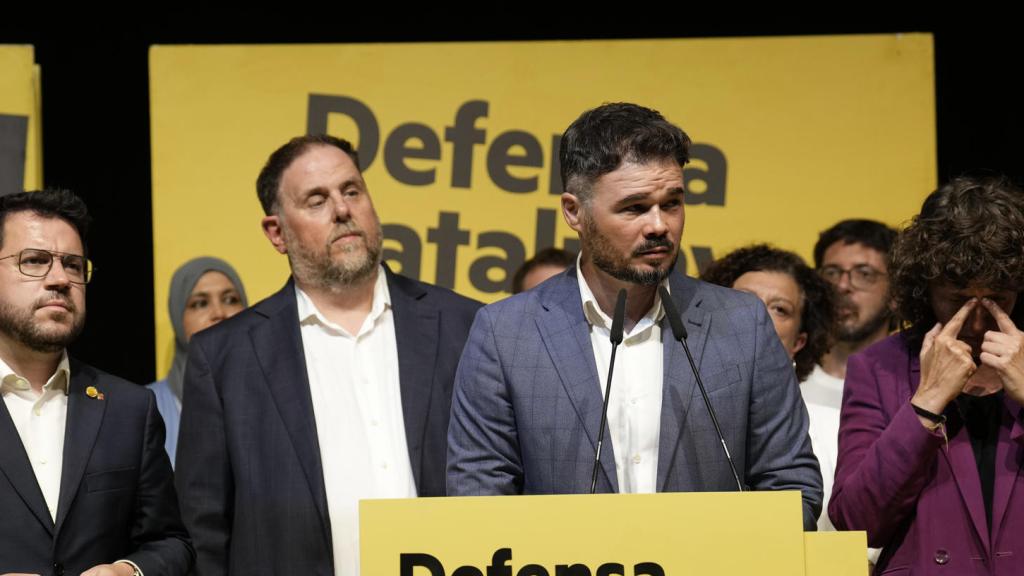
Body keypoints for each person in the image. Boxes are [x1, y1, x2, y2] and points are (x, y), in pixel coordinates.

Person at [447, 103, 822, 530]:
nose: (660, 225)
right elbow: (478, 501)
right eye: (634, 208)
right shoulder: (505, 334)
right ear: (574, 212)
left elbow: (792, 488)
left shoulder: (742, 324)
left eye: (673, 203)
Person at [175, 135, 481, 576]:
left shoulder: (464, 324)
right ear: (276, 232)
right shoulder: (226, 358)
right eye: (316, 200)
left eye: (352, 191)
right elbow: (203, 530)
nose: (342, 210)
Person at [830, 175, 1024, 574]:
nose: (977, 321)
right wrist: (927, 402)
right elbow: (855, 522)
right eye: (958, 300)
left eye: (998, 300)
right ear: (925, 286)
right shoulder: (879, 367)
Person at [0, 189, 192, 576]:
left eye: (73, 265)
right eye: (35, 261)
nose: (60, 279)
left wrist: (128, 571)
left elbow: (172, 543)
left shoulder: (129, 408)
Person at [146, 256, 247, 465]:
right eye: (200, 303)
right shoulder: (147, 409)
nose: (219, 313)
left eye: (230, 300)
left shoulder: (274, 399)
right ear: (178, 317)